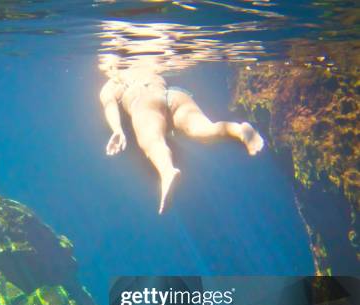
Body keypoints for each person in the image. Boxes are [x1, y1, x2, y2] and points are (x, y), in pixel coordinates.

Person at [99, 62, 264, 214]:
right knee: (205, 130)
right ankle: (239, 130)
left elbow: (110, 106)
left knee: (152, 141)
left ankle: (167, 171)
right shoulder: (147, 66)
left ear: (113, 67)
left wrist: (117, 129)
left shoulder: (111, 85)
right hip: (174, 96)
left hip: (143, 103)